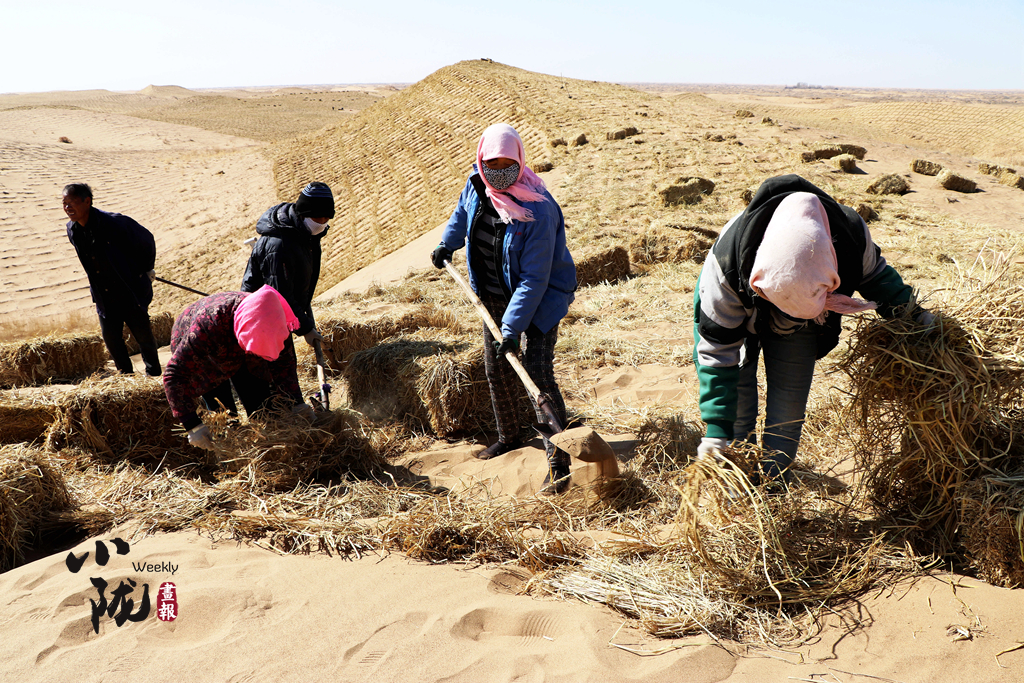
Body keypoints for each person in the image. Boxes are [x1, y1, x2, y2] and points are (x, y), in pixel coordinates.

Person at [693, 174, 932, 488]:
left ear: (829, 281)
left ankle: (774, 487)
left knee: (788, 408)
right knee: (738, 408)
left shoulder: (850, 238)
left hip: (810, 316)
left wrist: (918, 319)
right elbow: (717, 354)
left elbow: (879, 279)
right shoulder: (724, 270)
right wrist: (716, 430)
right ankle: (739, 487)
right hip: (741, 310)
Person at [430, 123, 577, 495]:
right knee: (496, 369)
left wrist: (511, 331)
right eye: (491, 164)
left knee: (537, 375)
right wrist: (447, 244)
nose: (498, 172)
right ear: (481, 161)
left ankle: (559, 463)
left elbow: (534, 279)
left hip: (541, 298)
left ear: (520, 161)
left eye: (507, 164)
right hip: (493, 293)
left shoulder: (539, 209)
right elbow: (462, 216)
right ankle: (508, 435)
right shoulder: (476, 184)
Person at [163, 284, 313, 450]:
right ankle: (231, 451)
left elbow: (284, 363)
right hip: (209, 350)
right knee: (224, 419)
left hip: (239, 341)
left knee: (264, 411)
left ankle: (266, 448)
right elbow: (173, 375)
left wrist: (296, 402)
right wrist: (192, 425)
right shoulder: (206, 328)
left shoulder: (275, 320)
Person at [63, 183, 161, 377]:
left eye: (72, 202)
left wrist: (146, 269)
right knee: (112, 340)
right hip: (104, 294)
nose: (67, 207)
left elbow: (147, 240)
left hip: (129, 290)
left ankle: (154, 375)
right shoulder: (72, 229)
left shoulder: (115, 223)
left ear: (87, 201)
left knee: (143, 336)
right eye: (64, 203)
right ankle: (126, 378)